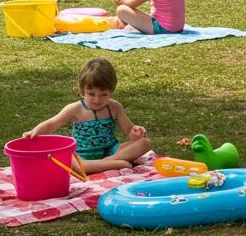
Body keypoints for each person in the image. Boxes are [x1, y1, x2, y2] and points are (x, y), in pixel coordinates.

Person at [22, 57, 151, 174]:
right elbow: (52, 123)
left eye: (103, 94)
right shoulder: (76, 109)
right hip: (83, 155)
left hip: (111, 151)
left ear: (111, 91)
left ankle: (106, 163)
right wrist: (34, 131)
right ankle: (114, 164)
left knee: (144, 143)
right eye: (91, 94)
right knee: (71, 162)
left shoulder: (114, 107)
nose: (97, 99)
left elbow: (129, 129)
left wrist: (135, 132)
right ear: (82, 91)